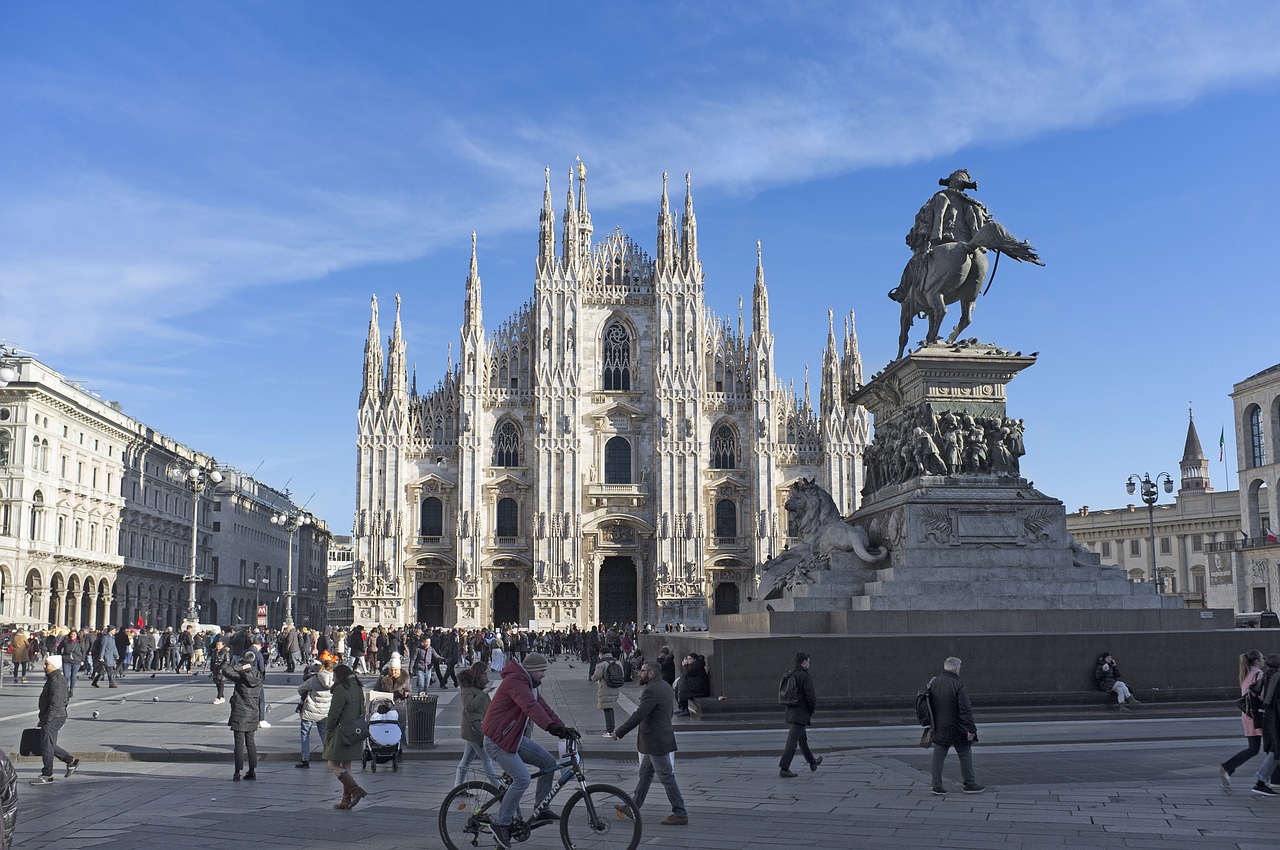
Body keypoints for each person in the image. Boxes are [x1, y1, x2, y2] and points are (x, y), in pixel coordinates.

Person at [481, 652, 578, 849]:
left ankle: (541, 808)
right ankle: (501, 823)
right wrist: (550, 728)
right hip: (498, 740)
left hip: (513, 738)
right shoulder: (516, 681)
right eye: (542, 670)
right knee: (522, 778)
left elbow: (545, 709)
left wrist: (563, 728)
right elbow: (530, 707)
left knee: (549, 763)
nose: (544, 674)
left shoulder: (529, 685)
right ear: (533, 670)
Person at [613, 661, 687, 825]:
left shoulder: (651, 690)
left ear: (651, 673)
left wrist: (620, 731)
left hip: (655, 741)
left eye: (643, 671)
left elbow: (640, 714)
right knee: (645, 774)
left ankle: (680, 813)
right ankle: (633, 807)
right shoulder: (665, 686)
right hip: (659, 737)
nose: (640, 673)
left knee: (666, 777)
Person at [928, 656, 983, 795]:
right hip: (958, 727)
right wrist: (971, 729)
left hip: (939, 726)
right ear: (957, 669)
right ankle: (969, 783)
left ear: (946, 667)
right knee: (965, 753)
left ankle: (937, 786)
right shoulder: (959, 685)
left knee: (938, 755)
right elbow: (965, 709)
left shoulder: (933, 683)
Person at [323, 663, 369, 810]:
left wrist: (329, 729)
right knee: (346, 765)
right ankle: (346, 799)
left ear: (339, 676)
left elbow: (334, 713)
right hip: (355, 731)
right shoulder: (357, 687)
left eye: (334, 676)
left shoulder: (341, 690)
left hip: (342, 732)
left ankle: (356, 790)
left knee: (332, 764)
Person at [29, 655, 79, 785]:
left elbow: (55, 704)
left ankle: (48, 774)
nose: (44, 666)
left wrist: (47, 719)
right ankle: (70, 760)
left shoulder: (57, 681)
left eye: (47, 664)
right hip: (51, 716)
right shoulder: (53, 679)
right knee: (48, 744)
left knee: (46, 746)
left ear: (54, 665)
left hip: (54, 717)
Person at [1219, 649, 1266, 788]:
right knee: (1273, 748)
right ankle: (1270, 779)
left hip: (1247, 715)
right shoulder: (1259, 674)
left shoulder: (1245, 673)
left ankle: (1227, 767)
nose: (1264, 660)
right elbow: (1262, 696)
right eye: (1262, 658)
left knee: (1253, 748)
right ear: (1257, 661)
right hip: (1259, 715)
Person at [453, 661, 501, 788]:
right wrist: (484, 693)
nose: (487, 676)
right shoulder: (467, 689)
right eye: (485, 674)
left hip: (476, 727)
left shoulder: (478, 686)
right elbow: (470, 707)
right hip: (474, 729)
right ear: (478, 674)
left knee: (466, 760)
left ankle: (457, 786)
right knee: (486, 758)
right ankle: (498, 786)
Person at [778, 651, 823, 777]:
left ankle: (812, 762)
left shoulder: (792, 674)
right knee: (792, 741)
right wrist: (811, 708)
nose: (809, 663)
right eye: (808, 661)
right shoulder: (804, 676)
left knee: (802, 739)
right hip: (801, 713)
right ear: (803, 662)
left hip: (791, 711)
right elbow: (811, 696)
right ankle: (784, 768)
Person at [223, 651, 263, 781]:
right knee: (251, 743)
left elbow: (226, 671)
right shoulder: (258, 675)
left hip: (240, 712)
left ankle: (237, 772)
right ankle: (252, 771)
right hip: (252, 713)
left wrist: (240, 667)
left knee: (238, 744)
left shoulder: (240, 676)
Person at [296, 652, 336, 768]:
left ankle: (305, 759)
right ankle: (330, 757)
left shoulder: (314, 680)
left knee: (305, 734)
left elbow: (300, 689)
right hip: (325, 712)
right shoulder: (334, 681)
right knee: (324, 734)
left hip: (310, 710)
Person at [1250, 653, 1280, 796]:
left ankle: (1261, 781)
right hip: (1276, 716)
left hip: (1269, 715)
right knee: (1276, 749)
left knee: (1276, 749)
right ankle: (1260, 781)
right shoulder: (1277, 676)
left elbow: (1256, 691)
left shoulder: (1267, 676)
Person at [590, 648, 624, 738]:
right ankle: (611, 729)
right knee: (610, 707)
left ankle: (610, 730)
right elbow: (622, 674)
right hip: (615, 687)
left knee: (607, 709)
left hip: (605, 687)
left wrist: (592, 678)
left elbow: (596, 675)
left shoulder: (601, 663)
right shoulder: (618, 662)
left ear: (601, 653)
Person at [675, 652, 710, 717]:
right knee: (679, 689)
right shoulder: (693, 665)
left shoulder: (696, 665)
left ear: (694, 659)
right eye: (687, 659)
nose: (688, 660)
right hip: (695, 686)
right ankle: (683, 708)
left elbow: (688, 672)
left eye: (690, 659)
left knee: (683, 692)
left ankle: (685, 710)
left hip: (699, 688)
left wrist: (684, 665)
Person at [209, 635, 231, 704]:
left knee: (221, 683)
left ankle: (219, 697)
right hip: (215, 669)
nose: (217, 646)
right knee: (217, 683)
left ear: (222, 645)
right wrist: (211, 667)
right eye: (217, 644)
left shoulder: (225, 652)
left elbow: (227, 661)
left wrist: (221, 668)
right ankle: (221, 696)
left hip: (222, 670)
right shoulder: (214, 652)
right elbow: (212, 660)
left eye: (219, 645)